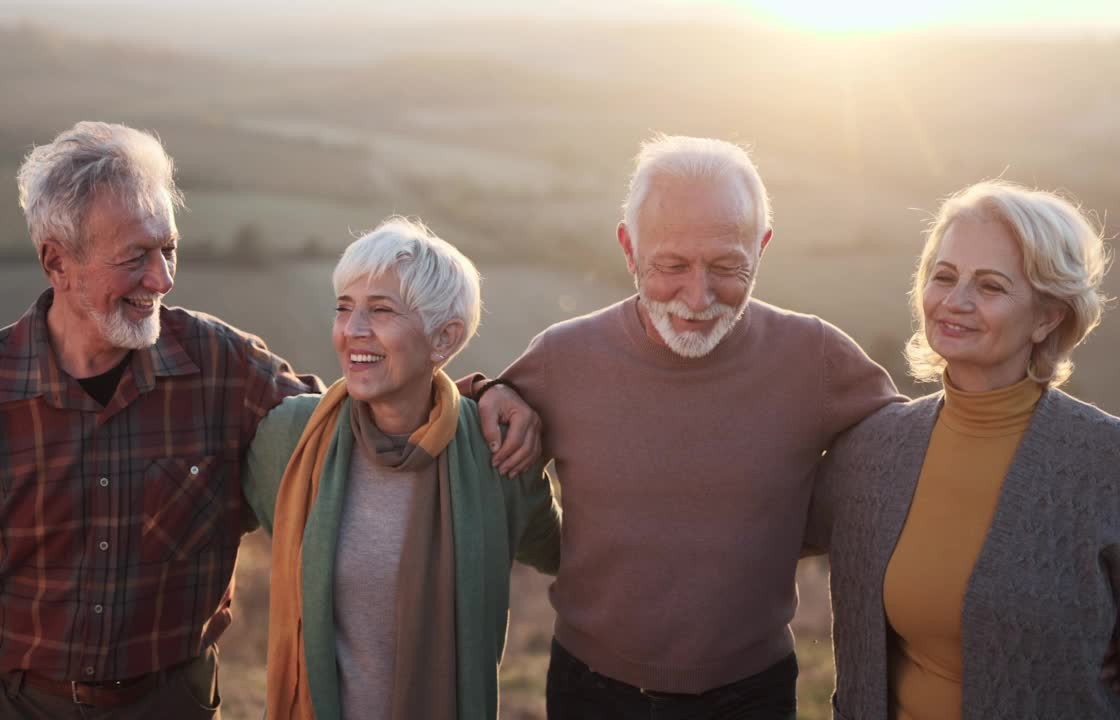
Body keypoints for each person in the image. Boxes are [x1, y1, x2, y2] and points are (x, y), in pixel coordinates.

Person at [0, 122, 535, 719]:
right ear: (57, 260)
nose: (163, 279)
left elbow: (358, 419)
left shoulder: (220, 366)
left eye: (168, 249)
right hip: (8, 707)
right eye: (135, 258)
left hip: (168, 706)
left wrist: (484, 395)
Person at [469, 135, 902, 719]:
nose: (697, 298)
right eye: (671, 266)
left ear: (762, 247)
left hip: (752, 694)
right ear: (628, 248)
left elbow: (903, 452)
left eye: (727, 267)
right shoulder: (563, 356)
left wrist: (786, 530)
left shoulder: (817, 358)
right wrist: (483, 388)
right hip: (589, 692)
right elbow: (474, 418)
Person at [807, 180, 1119, 719]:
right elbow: (753, 526)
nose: (956, 301)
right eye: (943, 276)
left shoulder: (1104, 462)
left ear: (1048, 316)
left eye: (991, 286)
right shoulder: (873, 447)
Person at [240, 218, 560, 720]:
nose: (353, 331)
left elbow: (572, 555)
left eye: (381, 310)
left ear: (444, 339)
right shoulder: (292, 438)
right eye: (344, 309)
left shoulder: (496, 450)